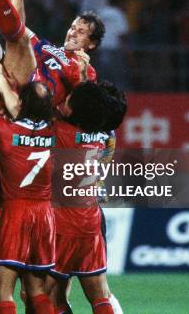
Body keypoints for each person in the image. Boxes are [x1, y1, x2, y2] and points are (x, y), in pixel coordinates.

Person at [0, 55, 58, 313]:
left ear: (22, 103)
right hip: (44, 215)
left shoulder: (6, 131)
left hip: (15, 213)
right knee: (36, 292)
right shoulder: (55, 133)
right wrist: (2, 80)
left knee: (3, 293)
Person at [48, 81, 127, 314]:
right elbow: (89, 106)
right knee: (100, 293)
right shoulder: (103, 136)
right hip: (90, 219)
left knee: (46, 296)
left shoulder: (60, 133)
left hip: (62, 222)